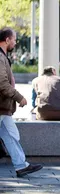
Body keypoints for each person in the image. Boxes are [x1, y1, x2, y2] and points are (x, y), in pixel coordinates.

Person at [0, 27, 43, 177]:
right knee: (11, 135)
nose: (15, 42)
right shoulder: (0, 57)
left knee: (11, 135)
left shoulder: (3, 57)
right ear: (7, 40)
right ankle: (21, 165)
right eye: (14, 39)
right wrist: (19, 97)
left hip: (3, 109)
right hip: (1, 107)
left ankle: (21, 166)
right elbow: (2, 83)